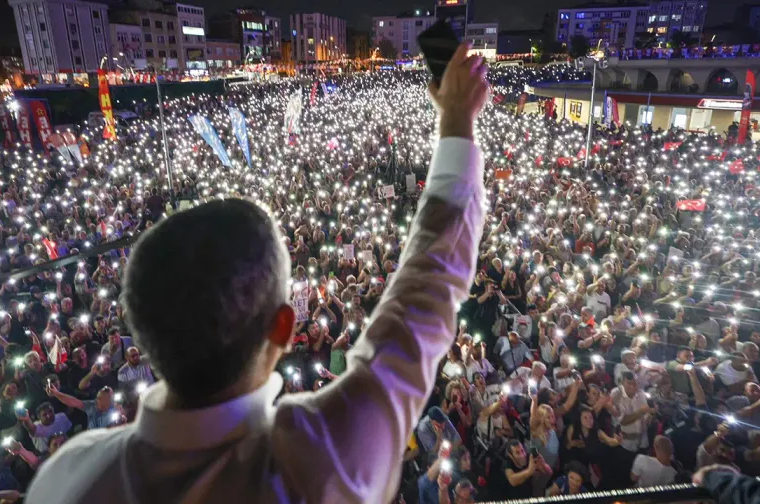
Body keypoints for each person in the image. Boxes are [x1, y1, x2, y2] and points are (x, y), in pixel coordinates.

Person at [27, 43, 489, 503]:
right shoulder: (320, 458)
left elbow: (424, 293)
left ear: (142, 334)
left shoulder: (67, 479)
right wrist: (456, 122)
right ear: (284, 326)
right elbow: (424, 294)